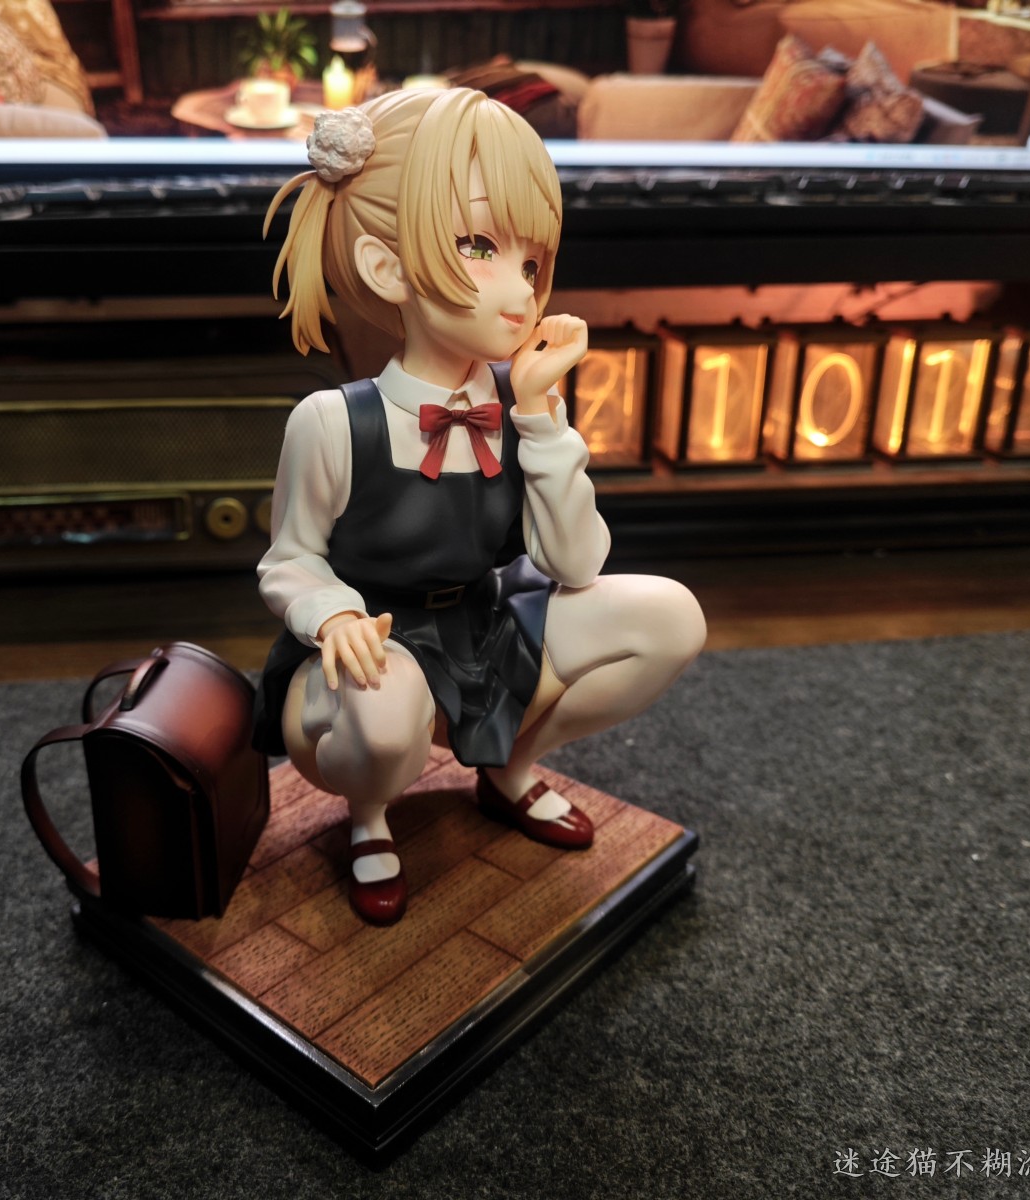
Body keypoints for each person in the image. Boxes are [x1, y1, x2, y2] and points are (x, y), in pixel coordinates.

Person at [252, 88, 706, 925]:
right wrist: (334, 616)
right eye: (479, 246)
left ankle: (508, 768)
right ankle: (369, 816)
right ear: (387, 268)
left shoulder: (521, 401)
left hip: (488, 621)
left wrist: (540, 418)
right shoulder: (333, 422)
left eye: (531, 264)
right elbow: (289, 559)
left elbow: (576, 564)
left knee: (671, 619)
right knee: (381, 716)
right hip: (377, 644)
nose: (522, 292)